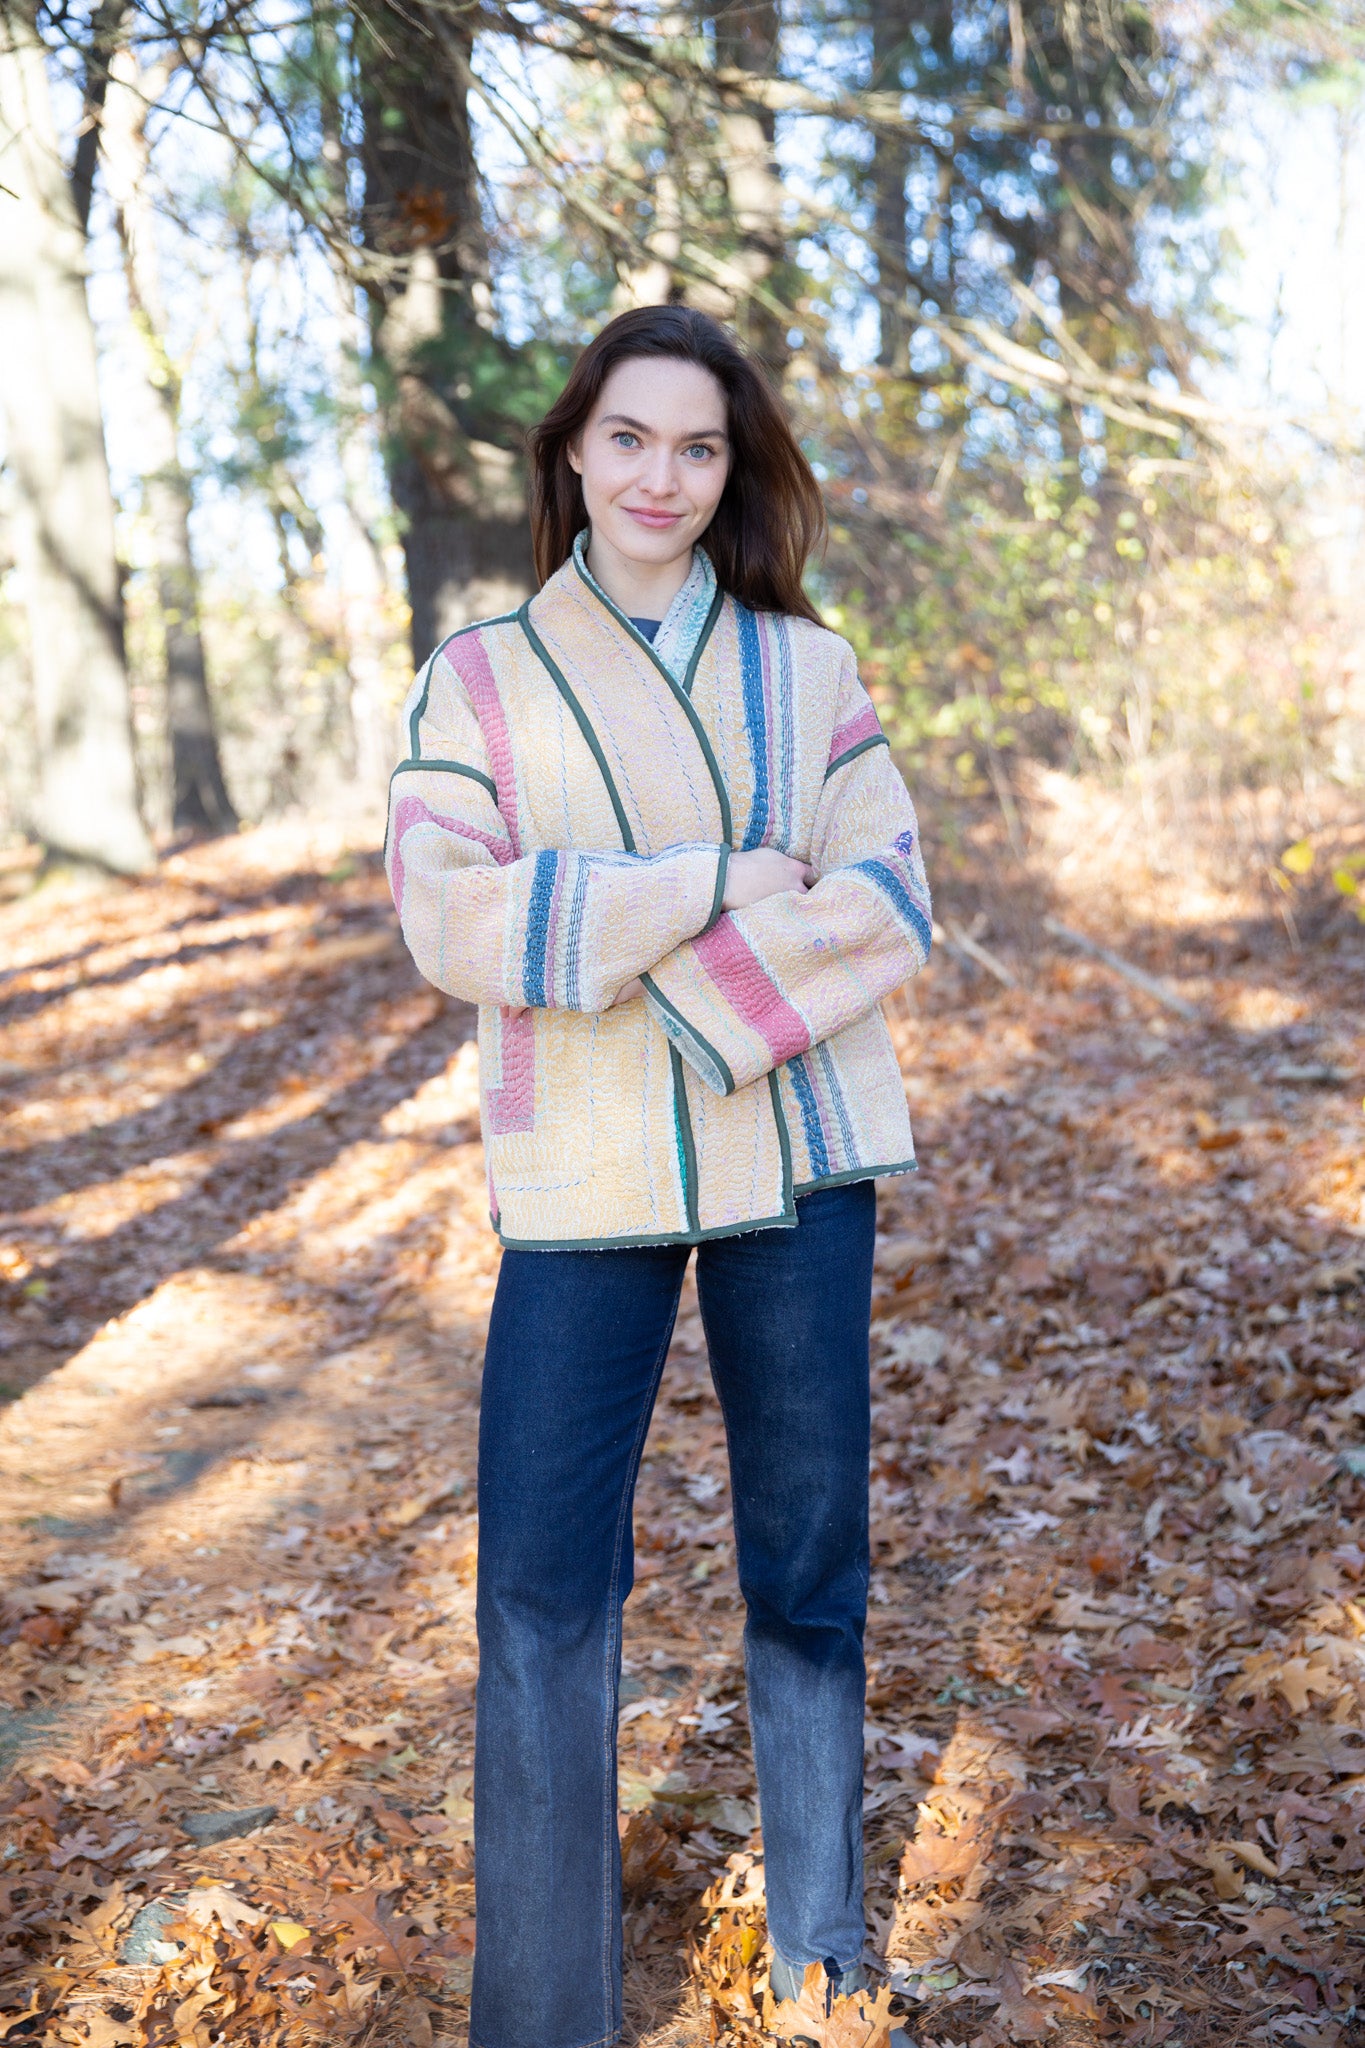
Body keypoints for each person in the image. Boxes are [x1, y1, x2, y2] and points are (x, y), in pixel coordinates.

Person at [385, 305, 932, 2048]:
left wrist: (679, 983)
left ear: (730, 469)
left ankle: (821, 1941)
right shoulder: (476, 677)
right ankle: (544, 2014)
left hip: (798, 1153)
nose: (661, 477)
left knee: (808, 1555)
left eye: (697, 447)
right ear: (570, 452)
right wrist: (710, 886)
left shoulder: (810, 668)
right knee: (543, 1577)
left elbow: (888, 894)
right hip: (578, 1167)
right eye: (629, 438)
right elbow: (447, 914)